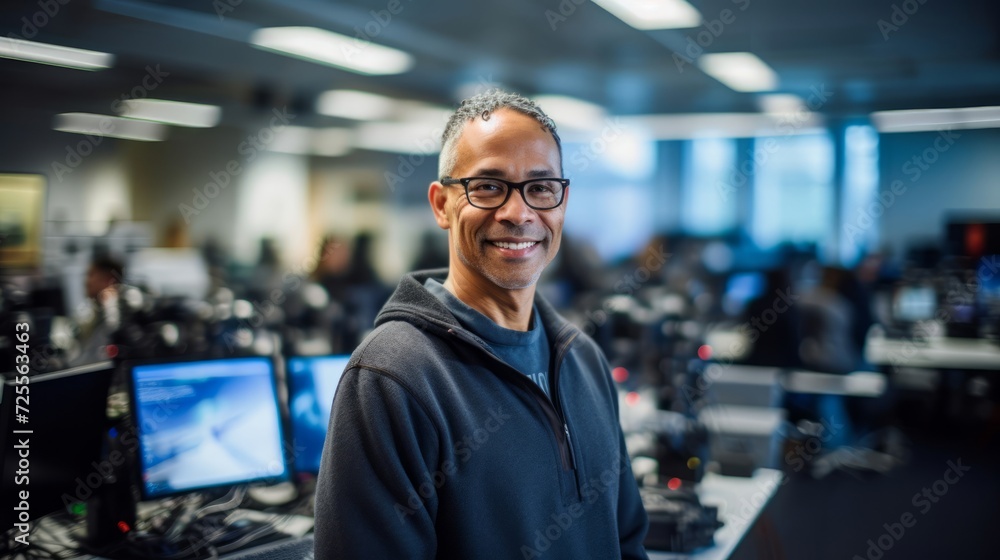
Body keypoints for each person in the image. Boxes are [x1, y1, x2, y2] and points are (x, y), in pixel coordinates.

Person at [314, 90, 649, 559]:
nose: (518, 212)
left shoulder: (583, 360)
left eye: (540, 187)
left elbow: (627, 541)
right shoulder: (392, 378)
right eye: (488, 186)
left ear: (562, 201)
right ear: (441, 204)